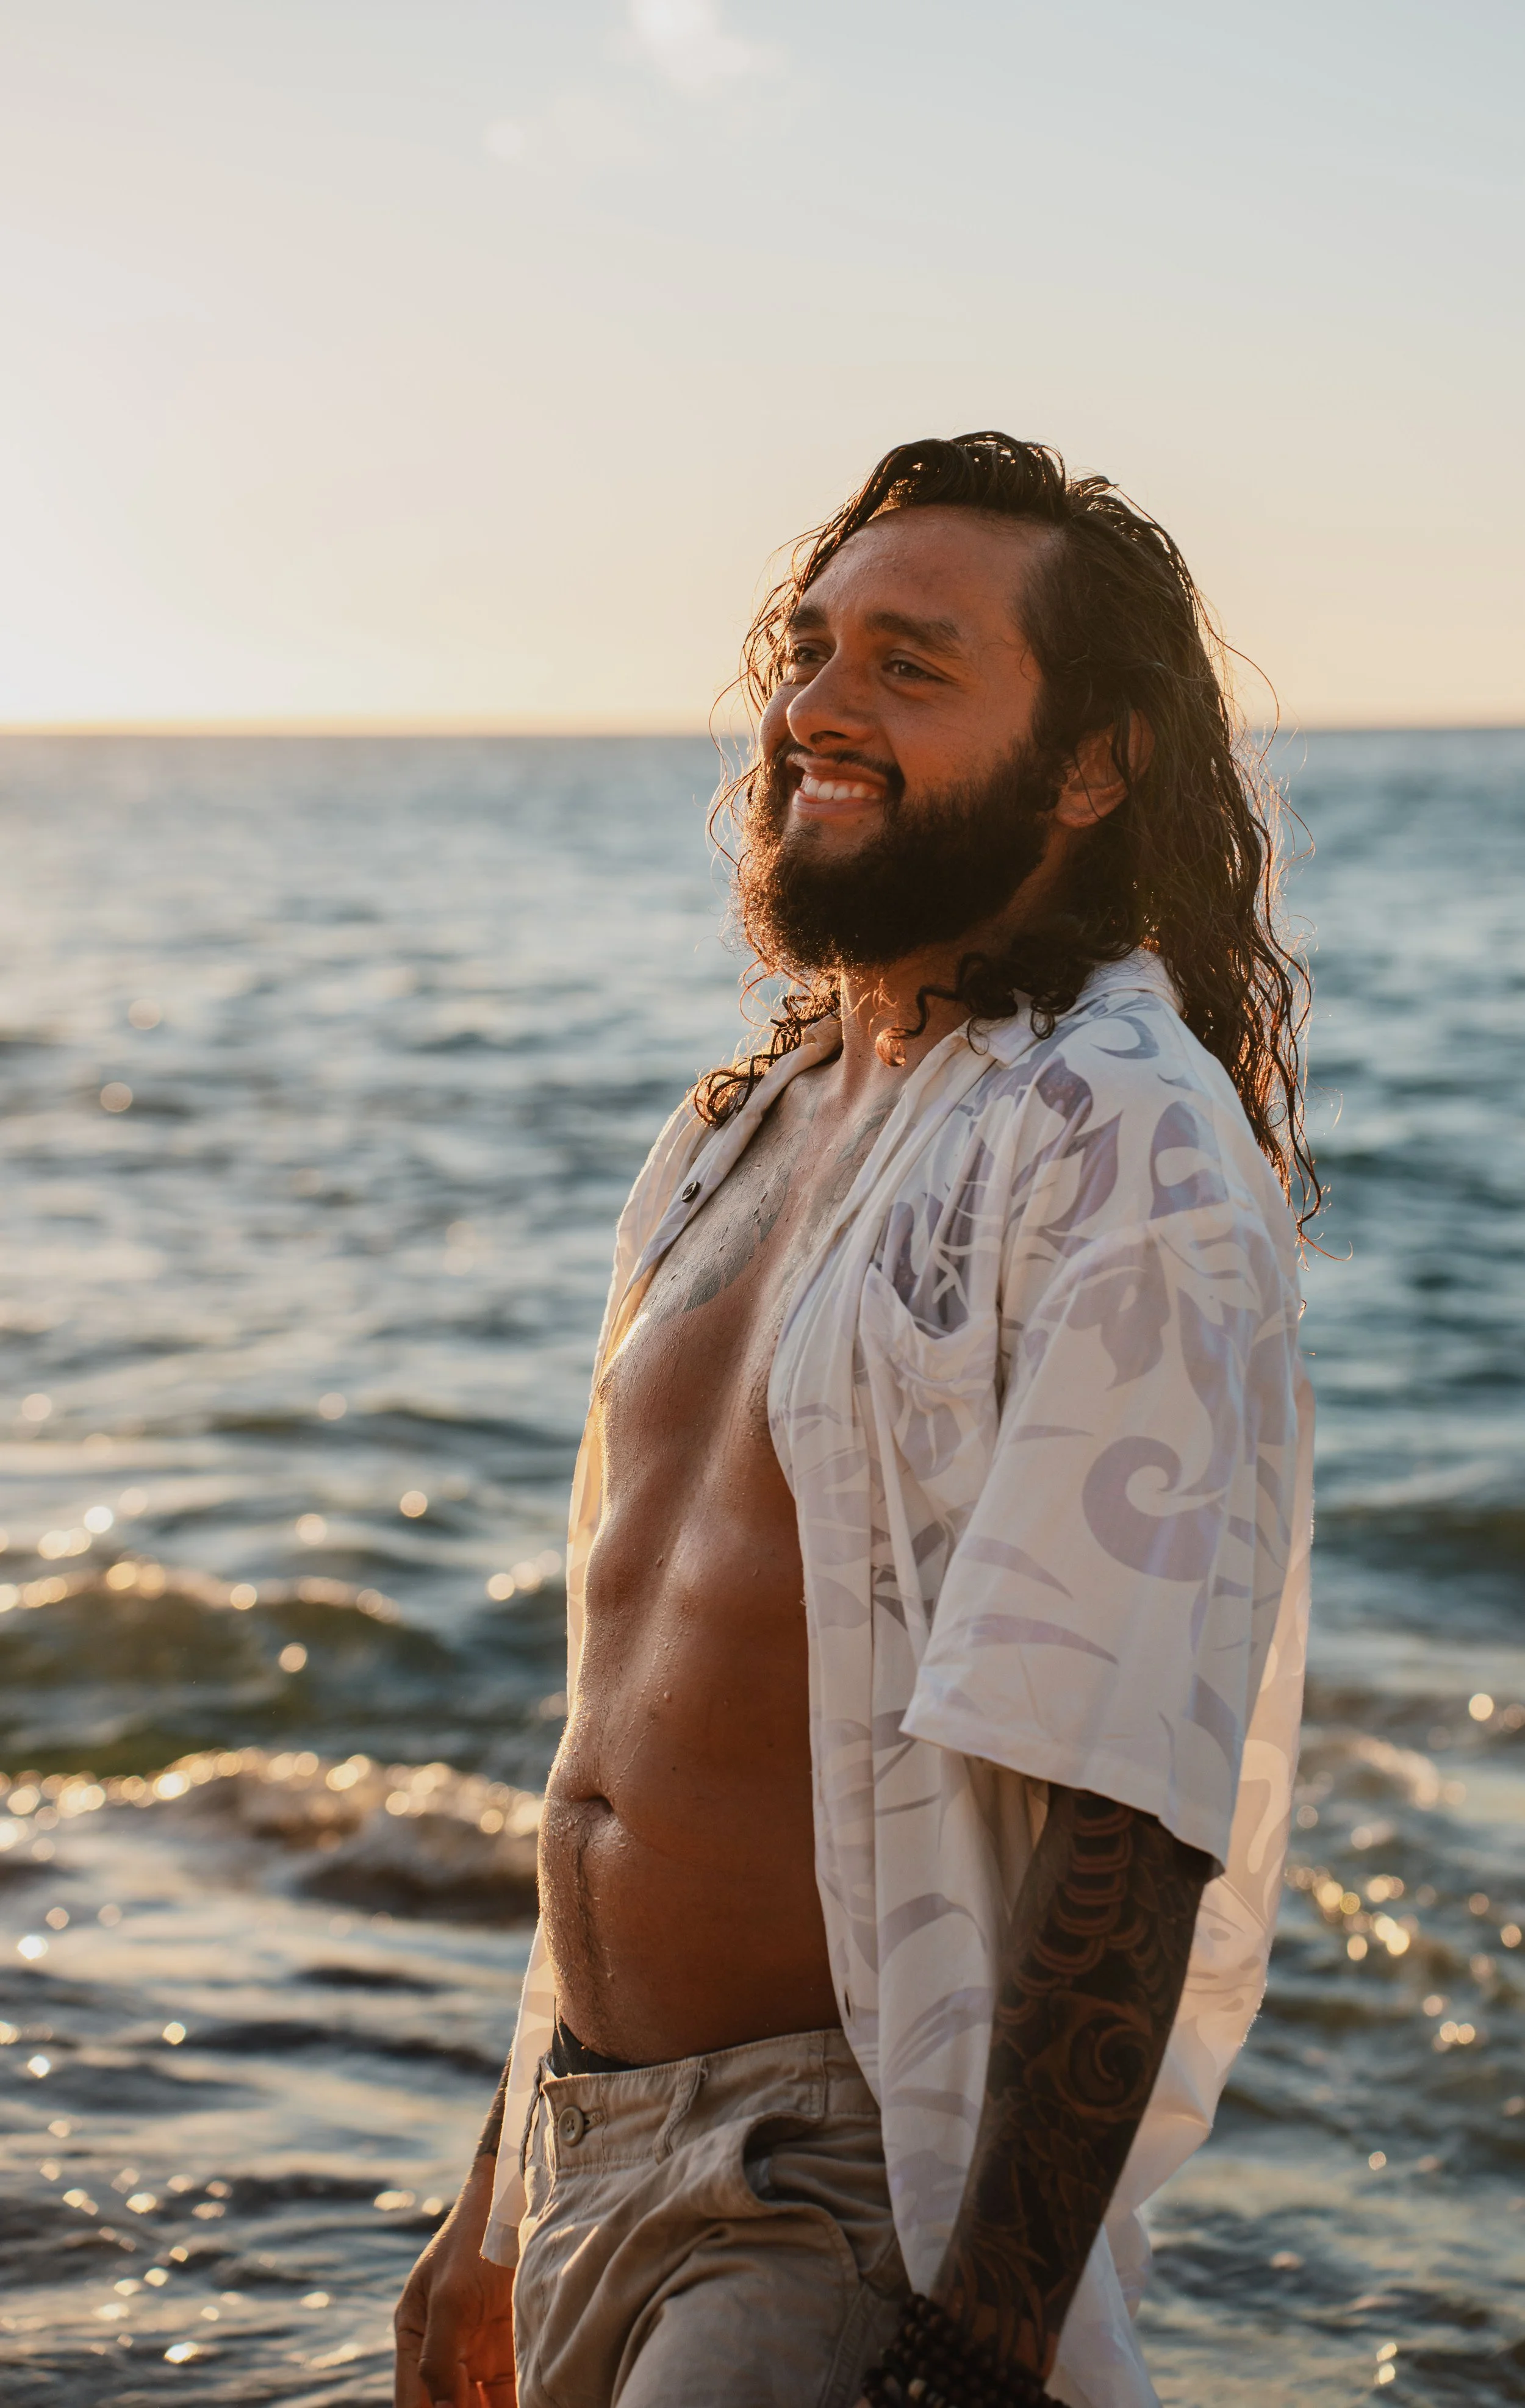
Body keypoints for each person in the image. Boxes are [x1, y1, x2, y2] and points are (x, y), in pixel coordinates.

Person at [393, 432, 1315, 2408]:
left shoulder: (1119, 1139)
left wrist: (982, 2329)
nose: (815, 703)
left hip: (833, 2178)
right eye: (812, 649)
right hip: (585, 2148)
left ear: (1092, 765)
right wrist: (488, 2206)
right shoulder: (741, 1130)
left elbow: (1121, 1781)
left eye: (913, 663)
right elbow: (619, 1720)